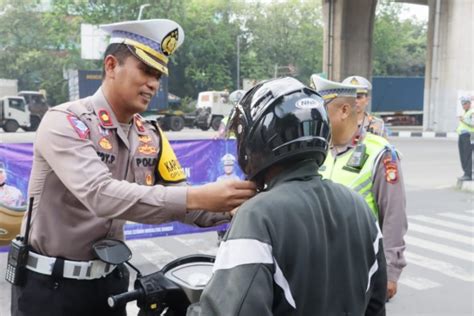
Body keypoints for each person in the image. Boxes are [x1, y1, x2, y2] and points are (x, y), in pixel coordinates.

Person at [10, 19, 256, 316]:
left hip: (111, 286)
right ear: (111, 66)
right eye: (146, 70)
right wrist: (199, 195)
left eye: (158, 75)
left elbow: (183, 202)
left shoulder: (149, 135)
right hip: (51, 290)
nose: (153, 83)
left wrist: (235, 207)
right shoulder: (66, 122)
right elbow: (100, 195)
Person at [199, 77, 387, 315]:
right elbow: (376, 305)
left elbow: (230, 310)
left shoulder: (257, 216)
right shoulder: (360, 208)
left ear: (258, 138)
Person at [311, 75, 407, 301]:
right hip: (316, 267)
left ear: (344, 110)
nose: (316, 118)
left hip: (360, 269)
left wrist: (391, 272)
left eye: (321, 111)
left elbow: (393, 215)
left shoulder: (379, 153)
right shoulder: (316, 149)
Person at [456, 96, 474, 181]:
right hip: (462, 135)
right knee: (462, 155)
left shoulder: (472, 112)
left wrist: (464, 120)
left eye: (465, 103)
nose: (463, 105)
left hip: (468, 135)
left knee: (467, 155)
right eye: (462, 104)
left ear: (469, 104)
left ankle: (468, 174)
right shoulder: (465, 112)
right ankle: (465, 173)